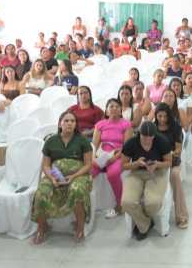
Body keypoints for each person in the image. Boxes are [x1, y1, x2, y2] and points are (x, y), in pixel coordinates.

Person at [31, 110, 92, 244]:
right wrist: (52, 178)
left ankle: (80, 227)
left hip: (79, 175)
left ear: (76, 124)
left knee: (77, 190)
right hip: (55, 176)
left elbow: (88, 165)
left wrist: (74, 176)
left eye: (72, 121)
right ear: (60, 124)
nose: (69, 123)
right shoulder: (51, 141)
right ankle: (42, 227)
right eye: (66, 121)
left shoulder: (82, 141)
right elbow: (46, 165)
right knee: (41, 192)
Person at [121, 121, 172, 240]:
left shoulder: (162, 141)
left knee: (153, 203)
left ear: (155, 135)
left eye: (151, 138)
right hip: (136, 173)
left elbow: (169, 162)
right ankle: (145, 224)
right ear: (139, 134)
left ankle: (142, 223)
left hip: (157, 173)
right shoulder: (131, 143)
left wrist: (157, 164)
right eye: (144, 138)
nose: (147, 141)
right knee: (126, 202)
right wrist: (136, 163)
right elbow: (123, 165)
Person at [92, 99, 133, 219]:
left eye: (117, 106)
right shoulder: (100, 124)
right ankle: (86, 204)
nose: (114, 108)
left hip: (120, 154)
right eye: (111, 106)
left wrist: (114, 157)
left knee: (113, 174)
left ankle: (120, 205)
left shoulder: (126, 124)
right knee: (89, 172)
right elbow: (94, 145)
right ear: (106, 111)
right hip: (102, 154)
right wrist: (95, 158)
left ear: (121, 110)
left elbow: (127, 146)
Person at [154, 103, 188, 229]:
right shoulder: (152, 128)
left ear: (169, 116)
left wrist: (171, 153)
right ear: (156, 116)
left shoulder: (176, 128)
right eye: (160, 116)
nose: (162, 119)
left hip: (172, 162)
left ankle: (181, 215)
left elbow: (178, 149)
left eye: (165, 116)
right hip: (156, 163)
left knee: (175, 176)